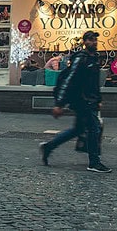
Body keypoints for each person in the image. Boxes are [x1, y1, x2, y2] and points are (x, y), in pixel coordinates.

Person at [40, 31, 110, 173]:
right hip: (82, 101)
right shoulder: (81, 58)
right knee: (94, 129)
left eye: (95, 39)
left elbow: (94, 84)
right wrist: (59, 104)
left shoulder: (94, 59)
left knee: (78, 130)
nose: (94, 42)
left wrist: (98, 99)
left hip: (89, 100)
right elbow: (69, 80)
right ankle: (94, 162)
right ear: (84, 42)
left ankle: (48, 147)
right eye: (91, 40)